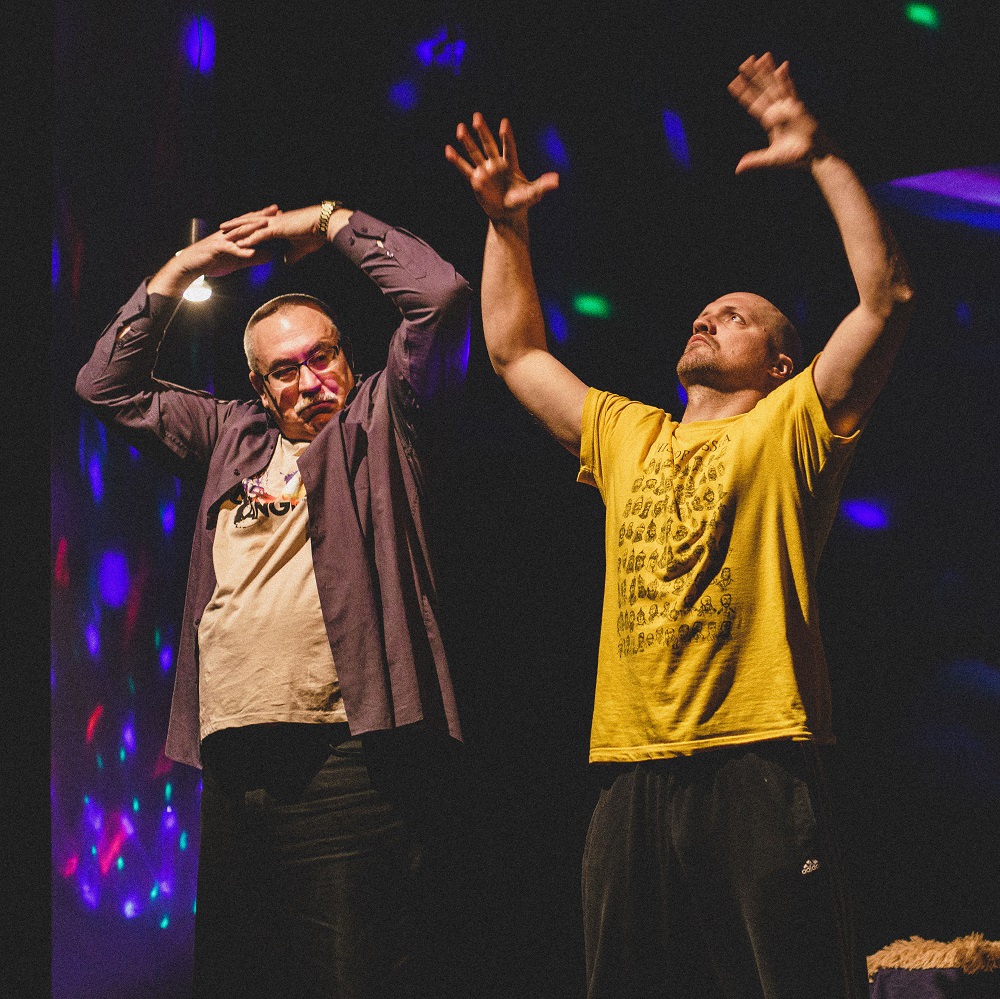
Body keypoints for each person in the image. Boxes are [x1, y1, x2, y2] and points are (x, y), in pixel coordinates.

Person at [446, 53, 914, 998]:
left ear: (779, 364)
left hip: (758, 753)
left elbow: (885, 299)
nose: (709, 318)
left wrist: (820, 155)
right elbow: (514, 350)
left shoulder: (792, 426)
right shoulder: (631, 433)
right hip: (631, 763)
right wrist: (506, 226)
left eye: (735, 317)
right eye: (705, 312)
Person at [76, 200, 472, 998]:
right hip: (234, 757)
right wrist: (185, 267)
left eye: (321, 357)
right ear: (260, 387)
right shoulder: (232, 434)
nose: (310, 380)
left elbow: (441, 295)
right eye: (285, 370)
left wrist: (325, 222)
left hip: (346, 757)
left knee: (352, 977)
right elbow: (103, 386)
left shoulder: (383, 420)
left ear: (348, 358)